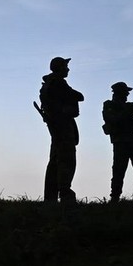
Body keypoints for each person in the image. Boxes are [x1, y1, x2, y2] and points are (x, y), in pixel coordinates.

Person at [40, 57, 84, 203]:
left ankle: (51, 199)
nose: (68, 69)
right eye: (65, 66)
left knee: (55, 162)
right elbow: (79, 96)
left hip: (58, 128)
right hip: (62, 128)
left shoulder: (50, 84)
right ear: (59, 68)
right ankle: (65, 195)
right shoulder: (58, 84)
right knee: (66, 160)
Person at [102, 82, 133, 202]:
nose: (127, 94)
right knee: (119, 170)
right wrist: (126, 112)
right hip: (120, 141)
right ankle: (115, 197)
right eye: (125, 92)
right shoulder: (109, 105)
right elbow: (111, 119)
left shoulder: (130, 106)